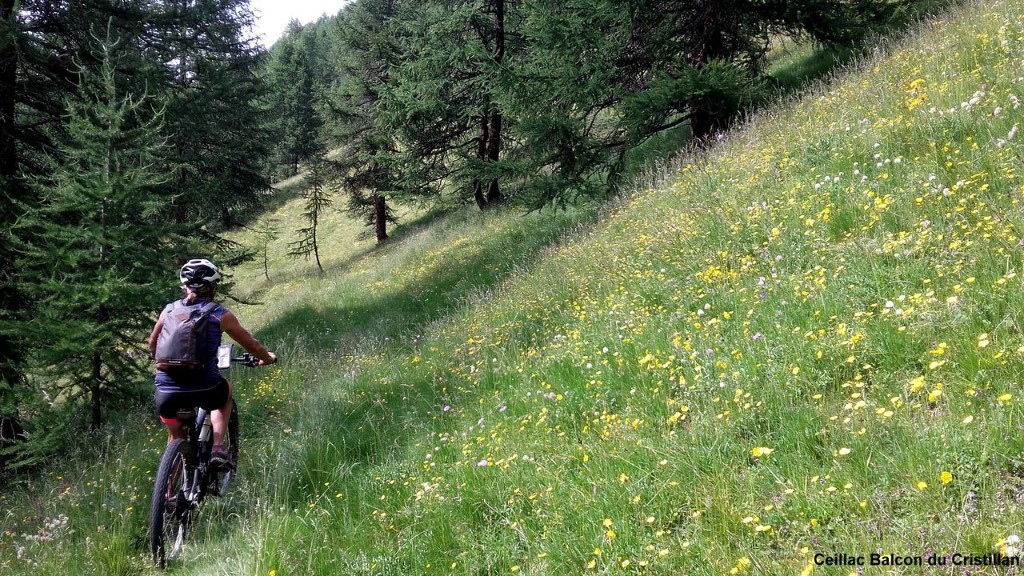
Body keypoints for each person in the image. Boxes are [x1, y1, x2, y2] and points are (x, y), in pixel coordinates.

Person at [148, 258, 276, 469]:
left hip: (166, 391)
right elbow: (251, 344)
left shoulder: (168, 310)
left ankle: (168, 489)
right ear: (213, 287)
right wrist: (267, 357)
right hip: (204, 387)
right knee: (224, 394)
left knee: (175, 432)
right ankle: (218, 448)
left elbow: (153, 343)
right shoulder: (219, 314)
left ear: (184, 287)